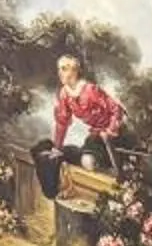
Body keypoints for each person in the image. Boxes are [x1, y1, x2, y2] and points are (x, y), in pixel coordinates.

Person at [35, 53, 127, 197]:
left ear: (75, 71)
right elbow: (62, 122)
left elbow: (117, 109)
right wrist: (57, 148)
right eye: (60, 69)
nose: (60, 72)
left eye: (65, 68)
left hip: (116, 135)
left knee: (89, 163)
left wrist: (110, 131)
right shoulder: (65, 93)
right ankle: (53, 190)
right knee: (71, 157)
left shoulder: (90, 90)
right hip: (96, 136)